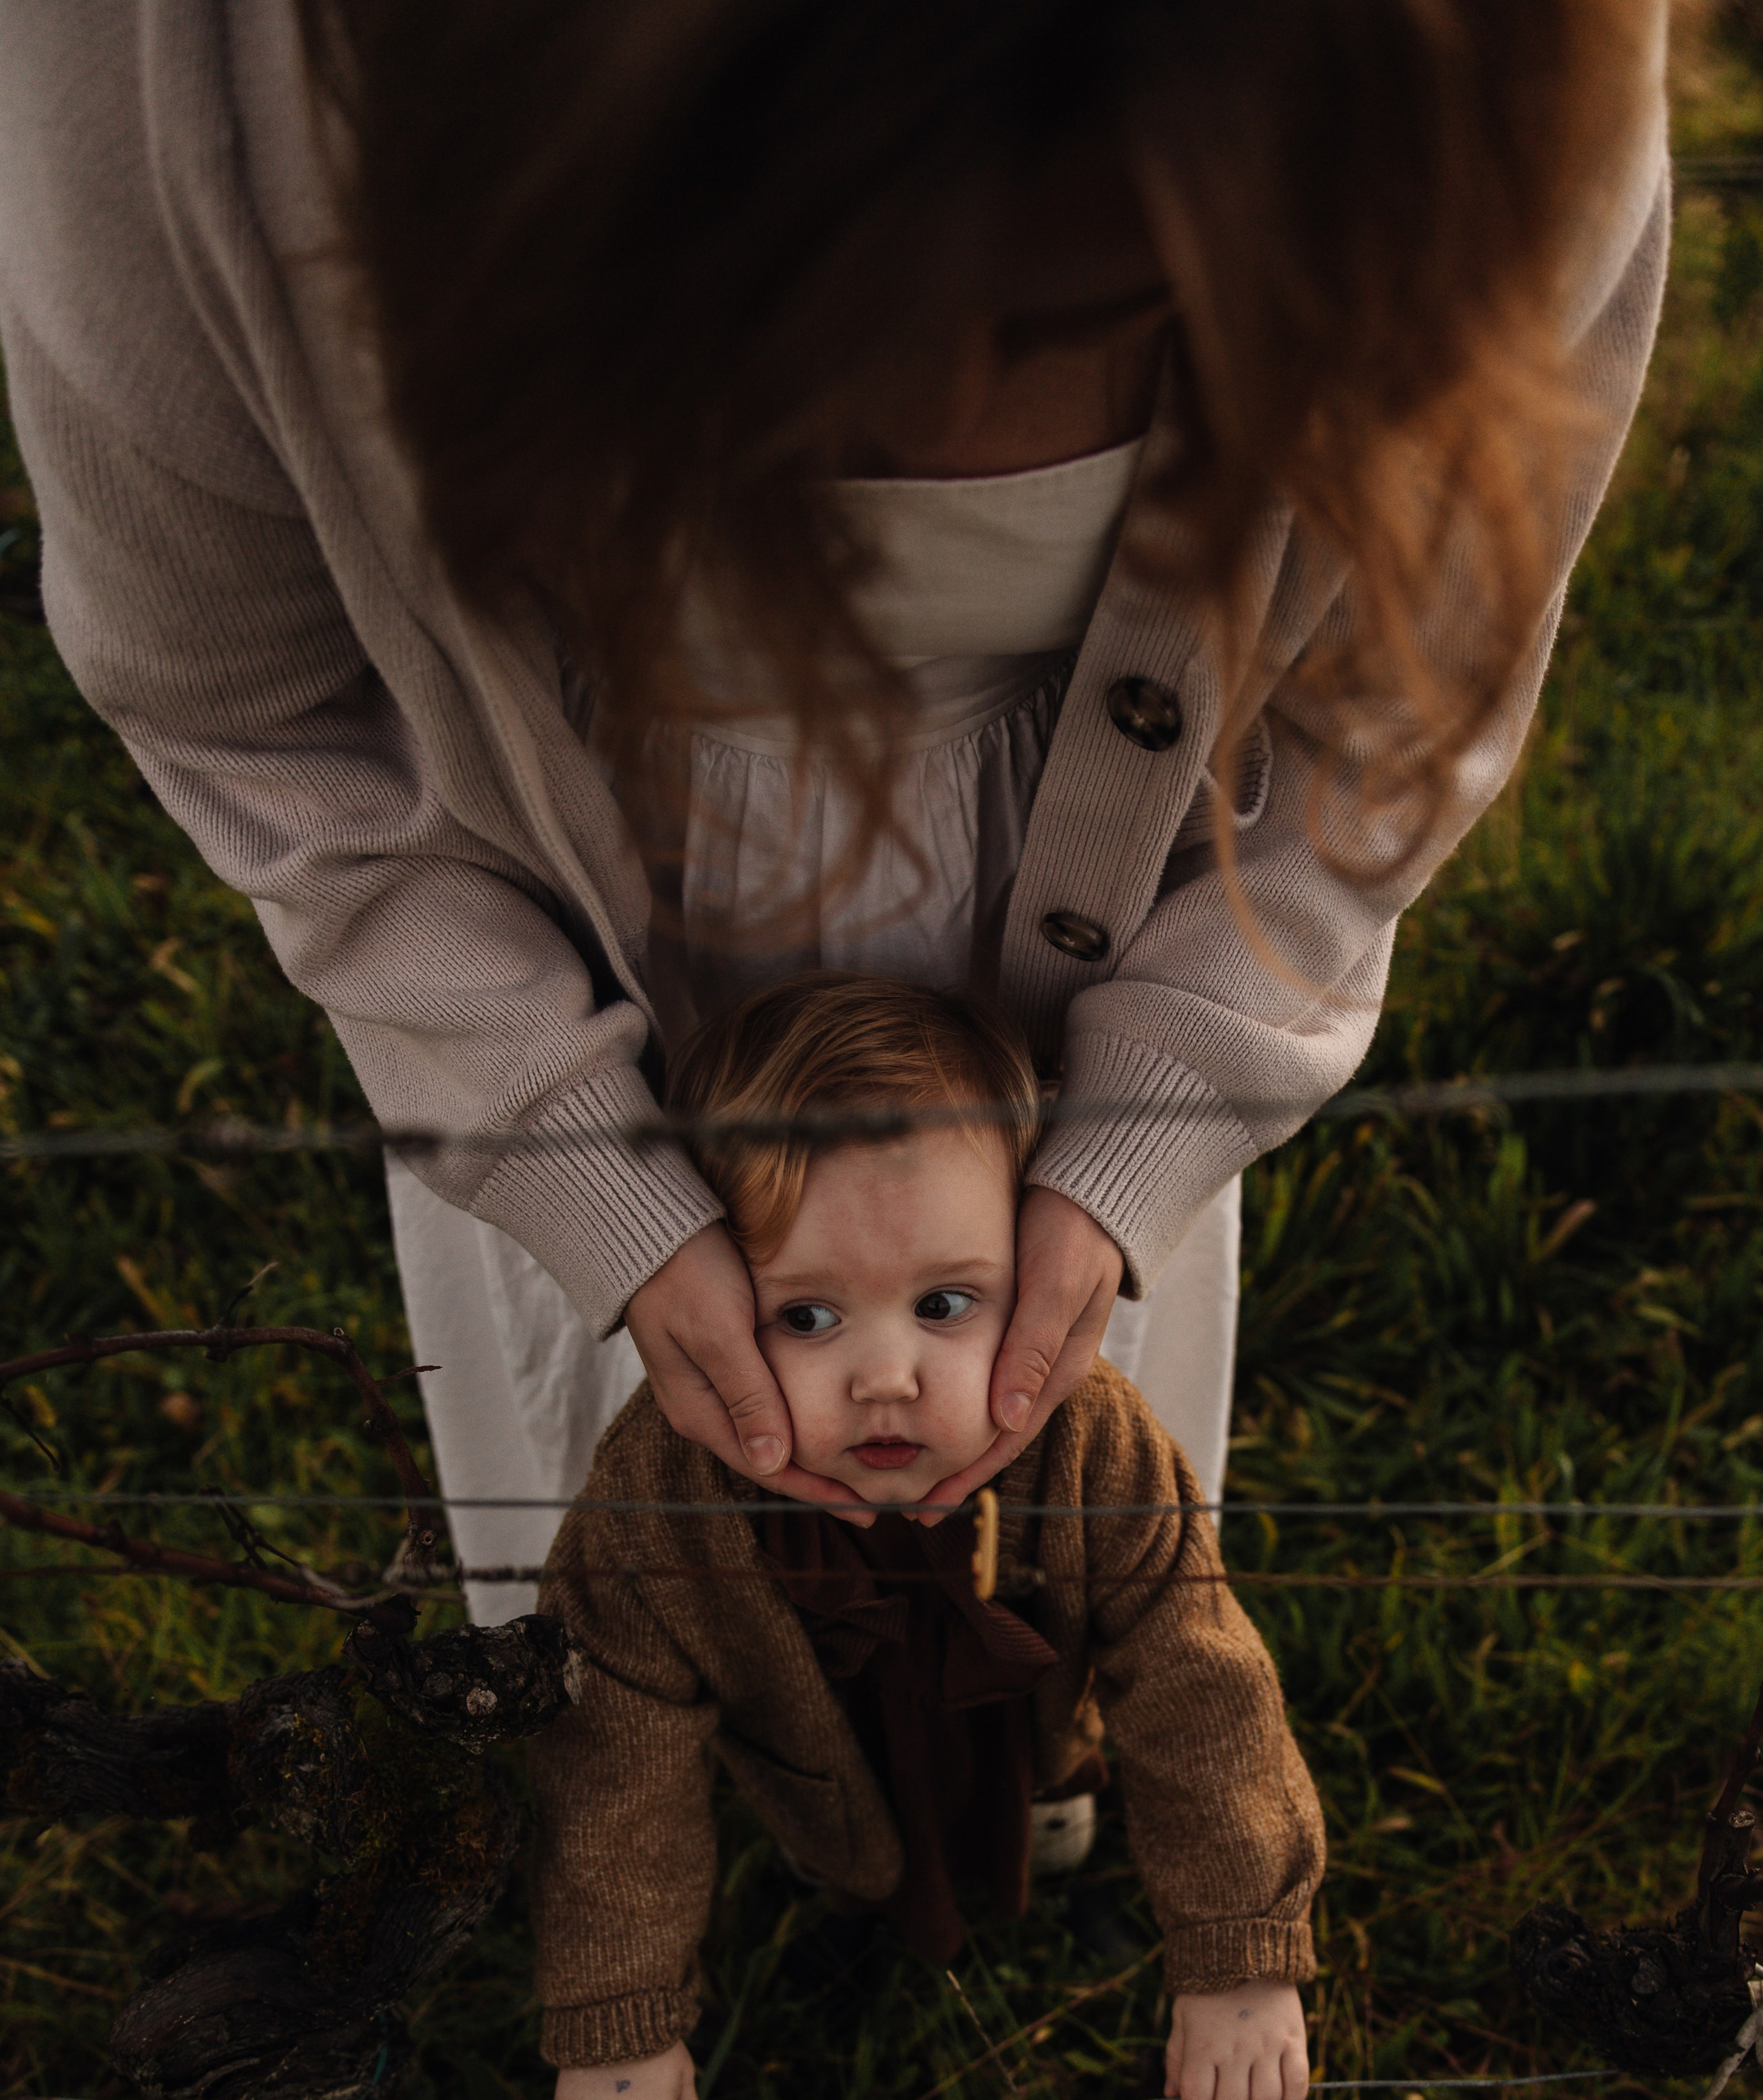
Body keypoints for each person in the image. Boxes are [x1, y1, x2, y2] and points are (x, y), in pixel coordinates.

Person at [0, 3, 1668, 1615]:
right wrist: (574, 1156)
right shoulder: (203, 76)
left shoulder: (1478, 86)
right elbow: (243, 699)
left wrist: (1151, 1113)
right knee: (633, 1596)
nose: (933, 416)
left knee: (1056, 1527)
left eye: (1077, 312)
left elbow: (1398, 699)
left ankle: (1031, 1745)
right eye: (813, 312)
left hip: (1132, 934)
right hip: (531, 953)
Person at [532, 974, 1324, 2100]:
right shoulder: (667, 1497)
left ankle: (1060, 1832)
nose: (884, 1375)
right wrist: (618, 2021)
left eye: (946, 1302)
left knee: (1056, 1776)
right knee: (835, 1837)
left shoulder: (1088, 1440)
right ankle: (849, 1889)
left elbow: (1200, 1683)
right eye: (805, 1317)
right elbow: (615, 1759)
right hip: (815, 1765)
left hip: (1033, 1723)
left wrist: (1242, 1956)